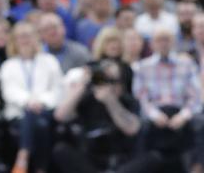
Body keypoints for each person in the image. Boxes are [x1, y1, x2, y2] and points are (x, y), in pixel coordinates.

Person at [53, 59, 159, 173]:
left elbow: (132, 129)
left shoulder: (128, 101)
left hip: (121, 161)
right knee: (61, 150)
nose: (108, 85)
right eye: (102, 80)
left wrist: (110, 101)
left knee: (153, 158)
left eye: (112, 81)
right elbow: (60, 116)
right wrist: (82, 85)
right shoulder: (87, 99)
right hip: (91, 161)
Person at [132, 25, 203, 163]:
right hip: (155, 115)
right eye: (159, 40)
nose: (163, 43)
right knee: (140, 127)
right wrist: (154, 115)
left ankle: (196, 167)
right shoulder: (143, 66)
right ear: (152, 44)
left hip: (181, 113)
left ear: (174, 42)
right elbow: (141, 97)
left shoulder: (187, 64)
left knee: (200, 124)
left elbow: (195, 96)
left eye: (167, 39)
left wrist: (183, 116)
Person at [0, 21, 63, 173]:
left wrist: (41, 101)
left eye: (28, 35)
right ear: (14, 41)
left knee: (37, 118)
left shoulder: (50, 61)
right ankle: (41, 169)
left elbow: (58, 89)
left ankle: (23, 157)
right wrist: (28, 101)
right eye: (21, 36)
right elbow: (8, 92)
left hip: (46, 109)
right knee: (37, 122)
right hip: (18, 113)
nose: (25, 40)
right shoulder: (8, 65)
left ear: (36, 38)